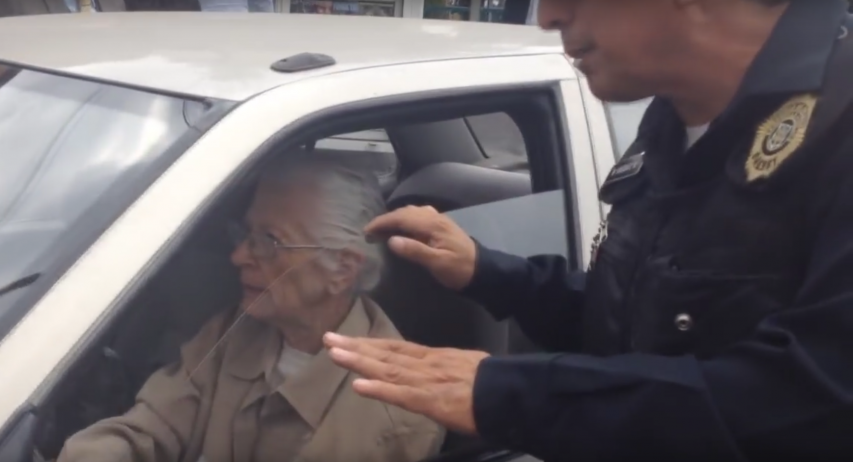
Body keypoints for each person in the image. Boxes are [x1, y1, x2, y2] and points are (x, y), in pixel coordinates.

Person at [323, 0, 853, 461]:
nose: (549, 15)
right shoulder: (673, 116)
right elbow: (641, 322)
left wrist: (511, 394)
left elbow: (814, 404)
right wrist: (490, 273)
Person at [57, 154, 444, 462]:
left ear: (342, 269)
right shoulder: (237, 329)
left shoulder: (393, 415)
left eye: (269, 242)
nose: (240, 255)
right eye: (245, 234)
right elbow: (151, 426)